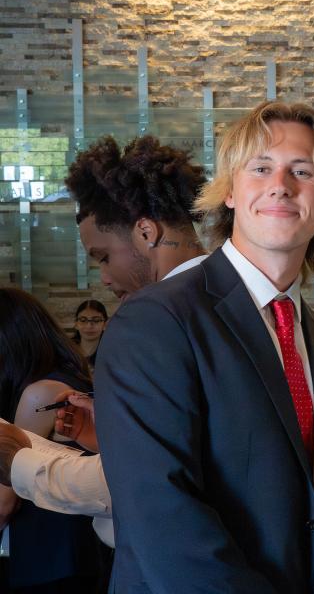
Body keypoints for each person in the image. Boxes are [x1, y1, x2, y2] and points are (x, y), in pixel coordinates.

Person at [96, 101, 314, 593]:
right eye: (261, 168)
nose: (281, 185)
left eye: (302, 170)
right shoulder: (156, 324)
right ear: (230, 191)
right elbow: (163, 520)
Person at [0, 134, 208, 554]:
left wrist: (17, 460)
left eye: (103, 257)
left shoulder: (146, 321)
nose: (104, 278)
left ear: (146, 232)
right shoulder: (234, 302)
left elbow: (136, 483)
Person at [0, 288, 100, 593]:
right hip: (68, 554)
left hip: (48, 558)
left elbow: (5, 501)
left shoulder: (40, 393)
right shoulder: (63, 377)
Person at [72, 300, 108, 368]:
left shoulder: (112, 353)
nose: (89, 326)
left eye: (96, 320)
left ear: (105, 325)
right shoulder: (66, 350)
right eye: (83, 320)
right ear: (76, 324)